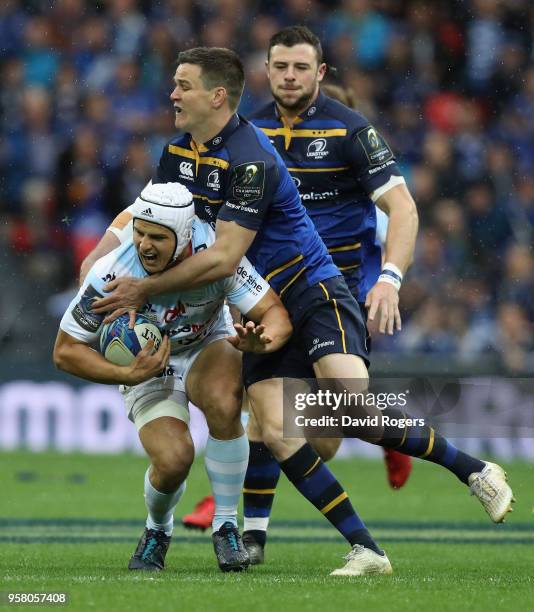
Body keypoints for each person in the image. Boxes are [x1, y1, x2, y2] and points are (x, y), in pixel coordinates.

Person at [87, 46, 514, 576]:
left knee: (349, 407)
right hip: (263, 308)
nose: (172, 94)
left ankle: (473, 470)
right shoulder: (179, 152)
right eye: (174, 84)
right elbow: (148, 211)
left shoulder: (252, 157)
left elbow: (224, 257)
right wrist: (102, 252)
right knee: (278, 426)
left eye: (182, 85)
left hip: (313, 289)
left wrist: (141, 292)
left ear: (217, 96)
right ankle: (366, 549)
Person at [53, 181, 293, 573]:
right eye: (140, 233)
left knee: (223, 399)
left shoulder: (216, 254)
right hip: (145, 365)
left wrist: (261, 343)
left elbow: (275, 315)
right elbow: (64, 351)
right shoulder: (112, 272)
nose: (145, 245)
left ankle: (227, 524)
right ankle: (157, 530)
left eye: (158, 238)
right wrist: (126, 372)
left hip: (206, 344)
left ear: (183, 237)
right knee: (174, 459)